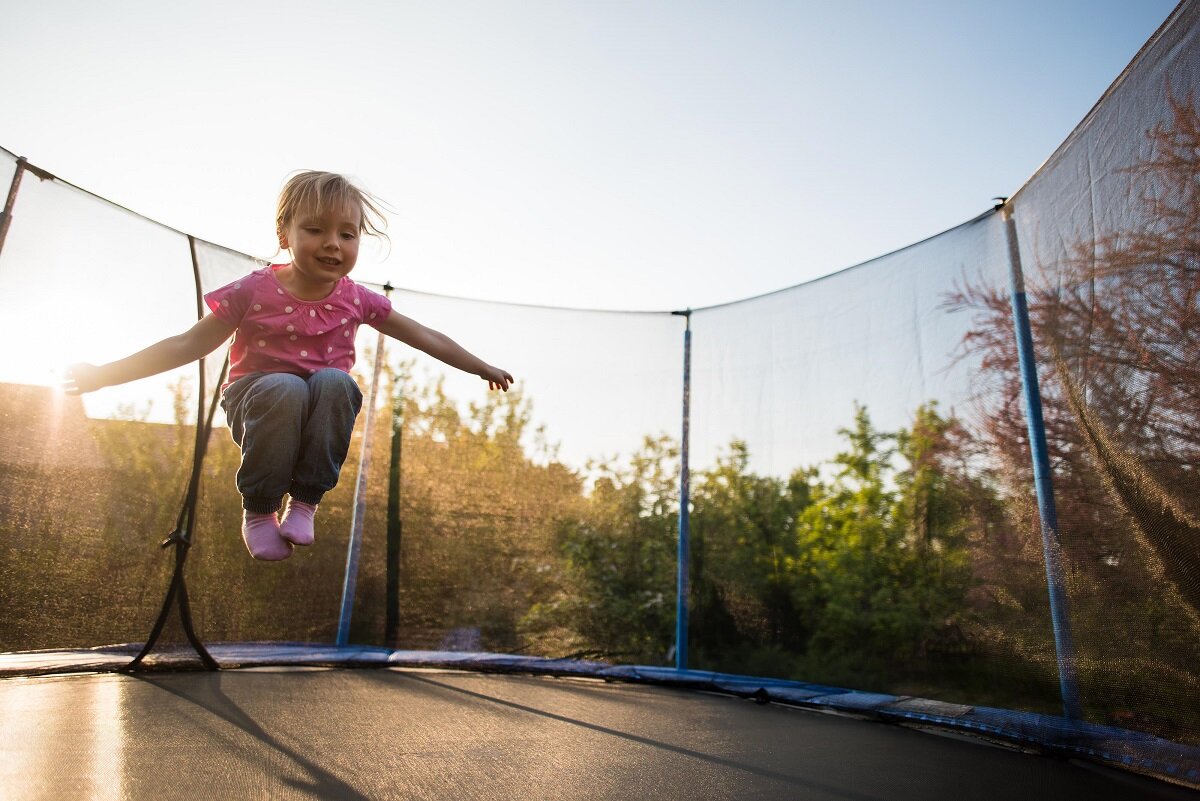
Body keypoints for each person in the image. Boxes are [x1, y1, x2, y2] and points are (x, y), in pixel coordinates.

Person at [65, 171, 513, 561]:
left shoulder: (356, 299)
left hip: (319, 411)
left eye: (347, 234)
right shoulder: (253, 290)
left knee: (337, 381)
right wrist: (104, 376)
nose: (333, 244)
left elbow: (425, 335)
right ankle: (259, 510)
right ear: (285, 236)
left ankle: (304, 503)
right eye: (316, 230)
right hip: (257, 402)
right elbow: (187, 344)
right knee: (286, 387)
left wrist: (479, 366)